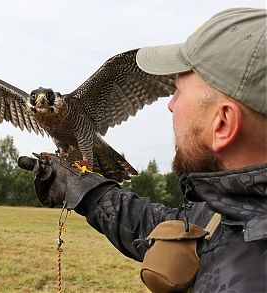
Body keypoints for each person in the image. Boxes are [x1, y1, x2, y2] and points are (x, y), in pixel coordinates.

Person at [18, 7, 266, 293]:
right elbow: (168, 231)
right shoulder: (226, 211)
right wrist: (90, 193)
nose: (170, 104)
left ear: (223, 123)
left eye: (179, 91)